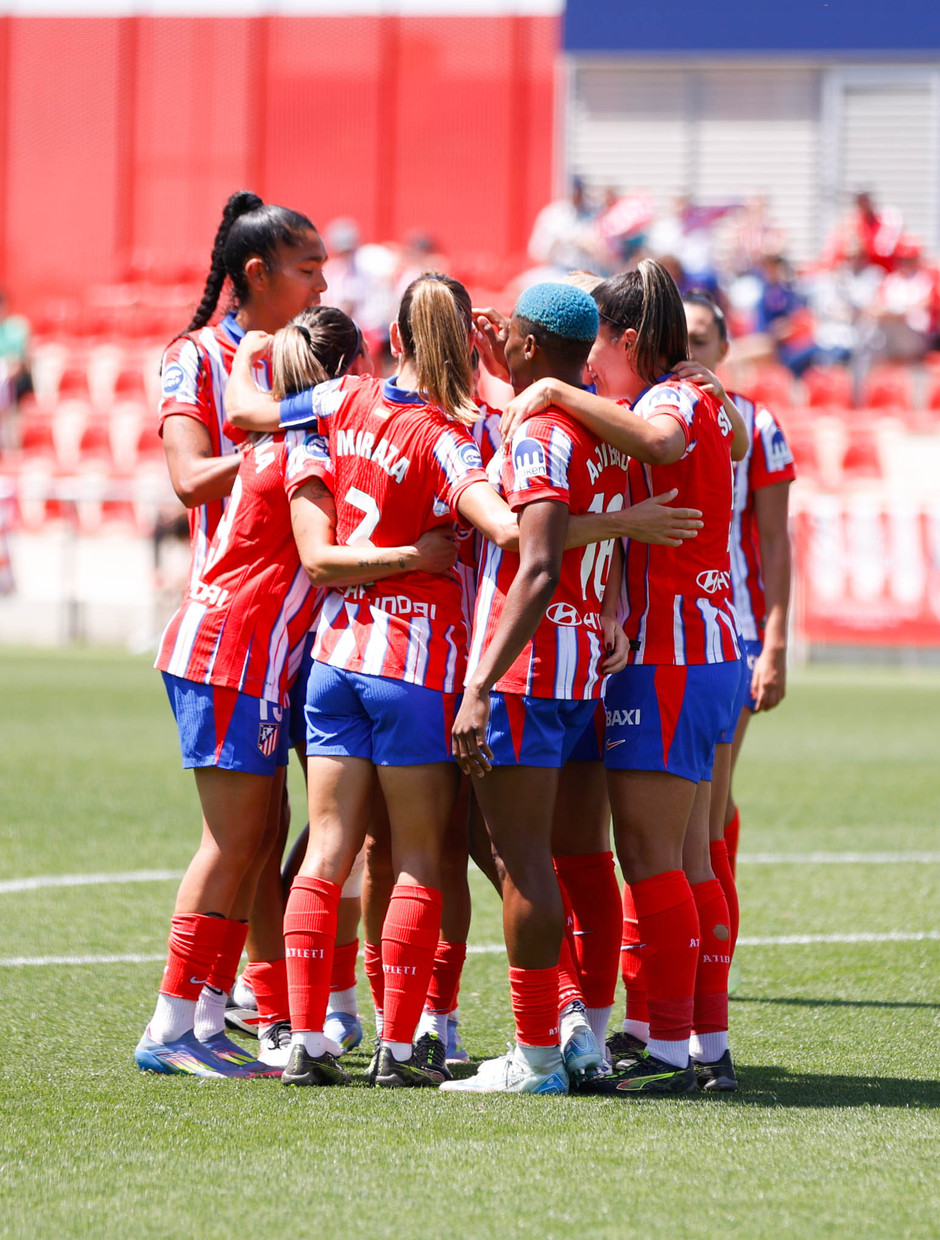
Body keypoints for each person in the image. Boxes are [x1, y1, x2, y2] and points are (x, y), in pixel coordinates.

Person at [499, 259, 747, 1096]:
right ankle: (701, 1044)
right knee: (689, 857)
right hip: (702, 650)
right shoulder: (702, 392)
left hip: (671, 657)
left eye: (599, 347)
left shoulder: (670, 399)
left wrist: (559, 394)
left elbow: (668, 441)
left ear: (629, 338)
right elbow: (735, 437)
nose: (590, 365)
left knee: (651, 858)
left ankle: (676, 1049)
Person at [137, 306, 371, 1077]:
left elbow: (240, 403)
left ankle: (202, 1020)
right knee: (232, 844)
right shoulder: (312, 438)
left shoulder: (275, 434)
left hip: (237, 655)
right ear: (343, 372)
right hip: (232, 654)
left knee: (252, 840)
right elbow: (322, 560)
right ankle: (171, 1030)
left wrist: (255, 353)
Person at [442, 282, 630, 1096]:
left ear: (526, 342)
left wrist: (480, 681)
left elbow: (539, 562)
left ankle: (537, 1058)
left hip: (526, 670)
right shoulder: (600, 424)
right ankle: (580, 1031)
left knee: (520, 863)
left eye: (512, 337)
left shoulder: (541, 434)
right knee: (576, 860)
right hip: (584, 667)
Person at [683, 292, 795, 918]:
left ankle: (707, 947)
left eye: (702, 339)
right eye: (683, 338)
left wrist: (774, 642)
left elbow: (776, 543)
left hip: (734, 632)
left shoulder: (755, 425)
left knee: (705, 795)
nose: (691, 350)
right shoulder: (647, 415)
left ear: (725, 350)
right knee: (691, 799)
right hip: (657, 629)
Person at [159, 190, 328, 586]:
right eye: (307, 271)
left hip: (314, 609)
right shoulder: (195, 356)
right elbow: (189, 481)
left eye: (322, 269)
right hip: (226, 598)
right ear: (257, 274)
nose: (322, 284)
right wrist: (292, 449)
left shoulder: (324, 357)